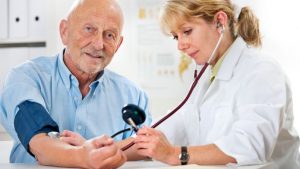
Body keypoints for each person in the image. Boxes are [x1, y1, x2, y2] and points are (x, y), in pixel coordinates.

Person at [130, 0, 300, 168]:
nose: (180, 45)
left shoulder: (261, 70)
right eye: (176, 37)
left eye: (187, 31)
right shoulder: (206, 77)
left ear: (220, 22)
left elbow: (251, 145)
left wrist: (174, 154)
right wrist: (114, 149)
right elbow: (175, 126)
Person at [0, 0, 151, 168]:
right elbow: (39, 142)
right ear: (65, 32)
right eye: (89, 29)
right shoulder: (26, 78)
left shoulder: (133, 94)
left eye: (109, 35)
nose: (98, 44)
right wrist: (85, 155)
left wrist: (91, 148)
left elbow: (146, 147)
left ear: (118, 44)